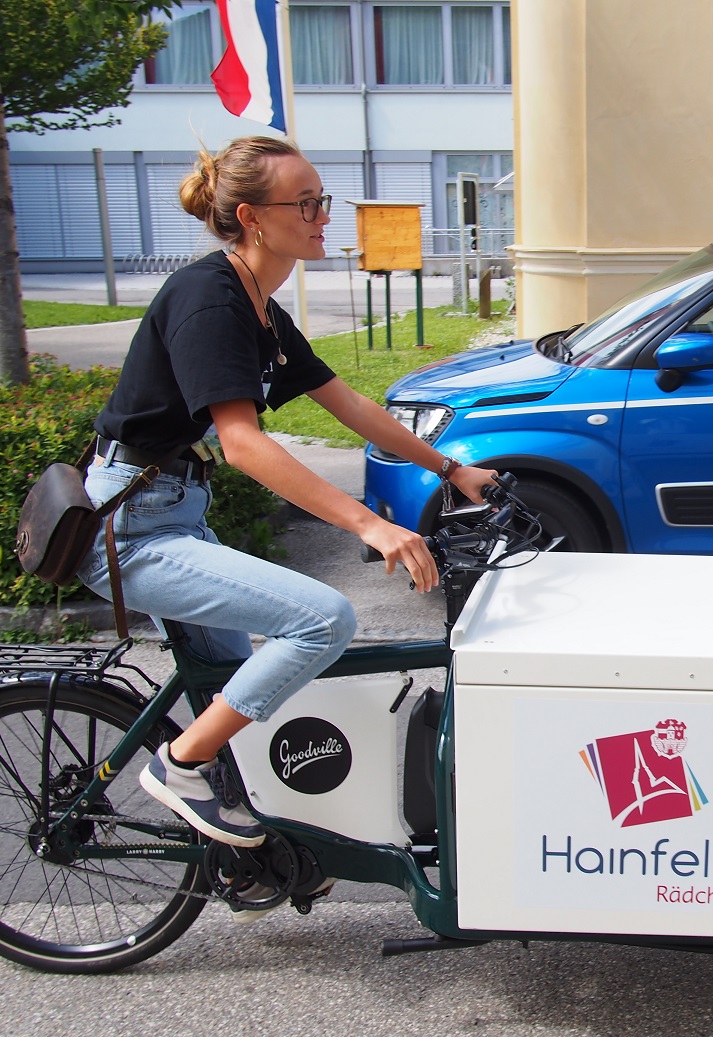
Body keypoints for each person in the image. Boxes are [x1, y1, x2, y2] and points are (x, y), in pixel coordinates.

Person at [79, 136, 495, 863]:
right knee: (318, 619)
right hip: (132, 529)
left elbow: (348, 404)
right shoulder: (209, 300)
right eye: (305, 203)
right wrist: (371, 524)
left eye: (319, 200)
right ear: (253, 216)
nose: (321, 215)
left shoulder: (259, 305)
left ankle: (246, 864)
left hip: (173, 514)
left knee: (242, 696)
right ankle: (176, 766)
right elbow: (240, 443)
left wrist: (450, 468)